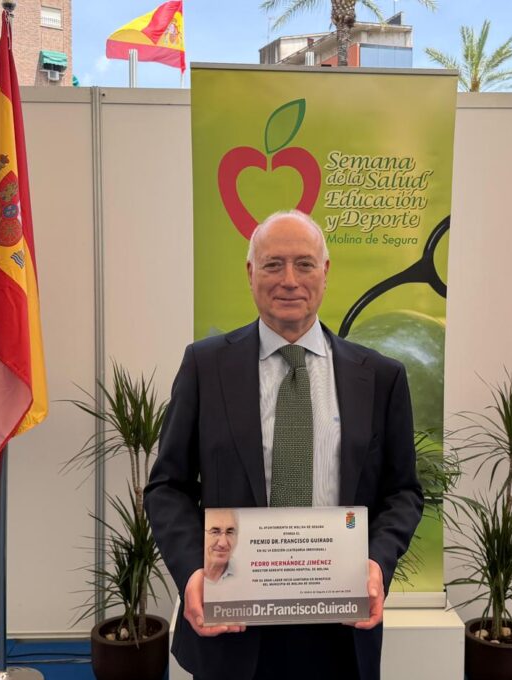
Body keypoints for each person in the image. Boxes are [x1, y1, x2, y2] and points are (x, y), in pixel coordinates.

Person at [144, 210, 423, 680]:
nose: (289, 280)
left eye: (304, 264)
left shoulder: (380, 376)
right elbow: (167, 487)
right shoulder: (205, 367)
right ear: (251, 273)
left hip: (340, 628)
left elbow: (403, 493)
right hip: (233, 626)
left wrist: (376, 563)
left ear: (325, 272)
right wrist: (193, 571)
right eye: (273, 264)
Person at [203, 508, 238, 584]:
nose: (223, 543)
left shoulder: (244, 573)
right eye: (215, 532)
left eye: (230, 532)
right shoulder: (192, 575)